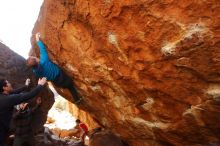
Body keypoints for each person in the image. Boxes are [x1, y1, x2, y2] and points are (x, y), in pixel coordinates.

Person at [26, 33, 82, 105]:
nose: (36, 57)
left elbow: (38, 71)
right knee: (71, 86)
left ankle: (77, 99)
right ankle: (77, 99)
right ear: (36, 60)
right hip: (61, 76)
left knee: (68, 86)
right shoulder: (44, 60)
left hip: (56, 82)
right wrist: (37, 39)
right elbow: (42, 49)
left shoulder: (35, 71)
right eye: (34, 58)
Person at [0, 77, 47, 146]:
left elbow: (14, 92)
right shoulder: (7, 99)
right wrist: (40, 85)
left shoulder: (3, 96)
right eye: (8, 83)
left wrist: (26, 86)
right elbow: (28, 95)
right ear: (4, 88)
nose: (10, 84)